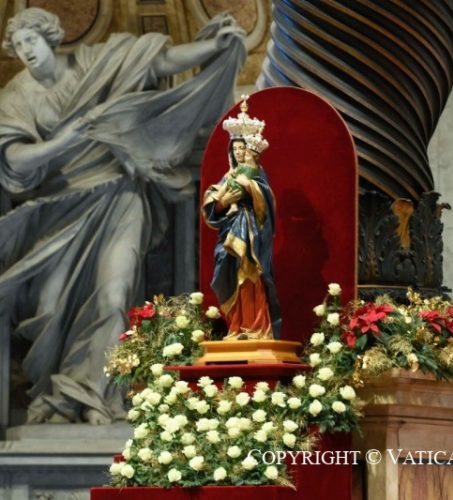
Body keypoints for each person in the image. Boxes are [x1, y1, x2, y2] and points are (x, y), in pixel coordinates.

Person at [0, 7, 246, 424]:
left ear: (50, 36)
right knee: (50, 310)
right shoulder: (16, 96)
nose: (26, 51)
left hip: (119, 197)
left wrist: (213, 47)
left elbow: (158, 59)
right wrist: (66, 141)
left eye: (31, 40)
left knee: (114, 297)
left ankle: (97, 396)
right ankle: (60, 398)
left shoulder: (96, 63)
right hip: (57, 214)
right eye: (18, 45)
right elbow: (14, 159)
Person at [202, 99, 281, 340]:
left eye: (241, 148)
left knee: (250, 277)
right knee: (229, 273)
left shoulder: (256, 174)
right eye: (234, 149)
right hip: (229, 233)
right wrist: (223, 202)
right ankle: (236, 326)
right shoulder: (228, 176)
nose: (238, 152)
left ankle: (256, 327)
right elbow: (212, 205)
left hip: (253, 234)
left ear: (248, 150)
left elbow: (266, 200)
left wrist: (250, 188)